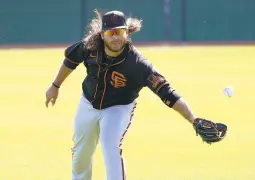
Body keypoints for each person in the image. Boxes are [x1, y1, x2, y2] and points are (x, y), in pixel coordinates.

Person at [45, 9, 225, 180]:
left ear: (127, 32)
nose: (116, 36)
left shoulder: (138, 64)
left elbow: (167, 92)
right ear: (102, 34)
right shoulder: (90, 47)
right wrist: (55, 85)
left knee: (110, 146)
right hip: (88, 103)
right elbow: (70, 60)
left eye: (120, 31)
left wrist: (193, 119)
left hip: (118, 108)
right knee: (81, 154)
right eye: (111, 32)